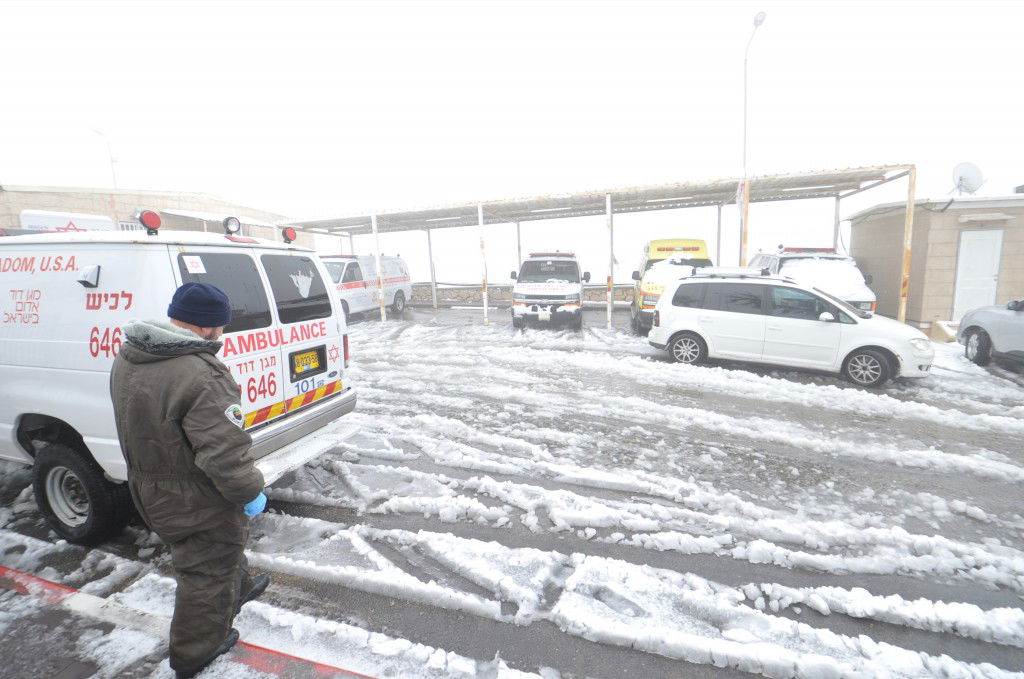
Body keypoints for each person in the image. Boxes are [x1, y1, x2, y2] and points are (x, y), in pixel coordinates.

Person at [110, 282, 270, 678]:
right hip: (192, 493)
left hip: (149, 485)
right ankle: (196, 650)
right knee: (206, 568)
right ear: (209, 326)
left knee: (218, 547)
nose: (222, 333)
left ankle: (238, 588)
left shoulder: (132, 356)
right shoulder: (201, 374)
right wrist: (250, 491)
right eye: (221, 326)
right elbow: (225, 454)